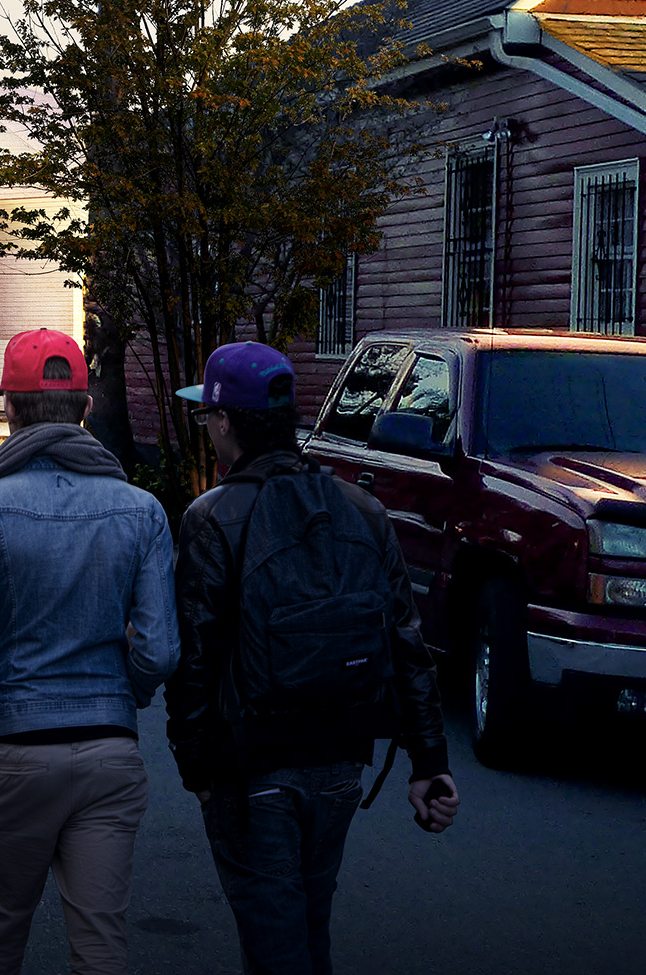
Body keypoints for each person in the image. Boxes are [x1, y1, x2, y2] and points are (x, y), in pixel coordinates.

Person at [165, 341, 457, 975]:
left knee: (274, 948)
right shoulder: (362, 509)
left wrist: (196, 767)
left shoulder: (212, 518)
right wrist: (430, 762)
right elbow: (406, 643)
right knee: (309, 932)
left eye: (208, 416)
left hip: (252, 769)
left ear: (224, 421)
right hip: (342, 764)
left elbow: (193, 659)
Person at [0, 329, 177, 975]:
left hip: (17, 754)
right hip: (109, 754)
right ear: (86, 409)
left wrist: (1, 697)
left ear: (9, 409)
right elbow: (158, 651)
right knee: (101, 950)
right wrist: (123, 692)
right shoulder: (143, 511)